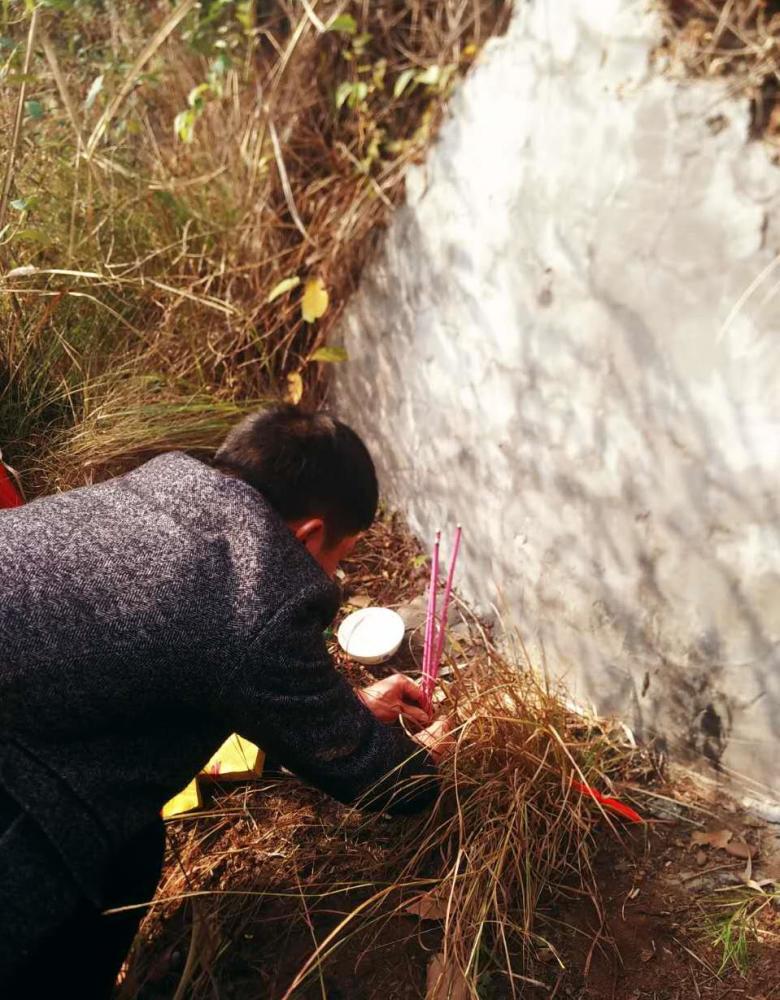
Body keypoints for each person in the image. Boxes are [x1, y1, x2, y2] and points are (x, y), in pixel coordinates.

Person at [0, 405, 449, 997]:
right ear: (309, 533)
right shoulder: (253, 587)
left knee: (133, 850)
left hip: (29, 709)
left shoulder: (162, 481)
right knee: (60, 943)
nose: (333, 574)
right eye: (342, 556)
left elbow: (193, 657)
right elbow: (382, 780)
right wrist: (431, 761)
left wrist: (346, 708)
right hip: (16, 808)